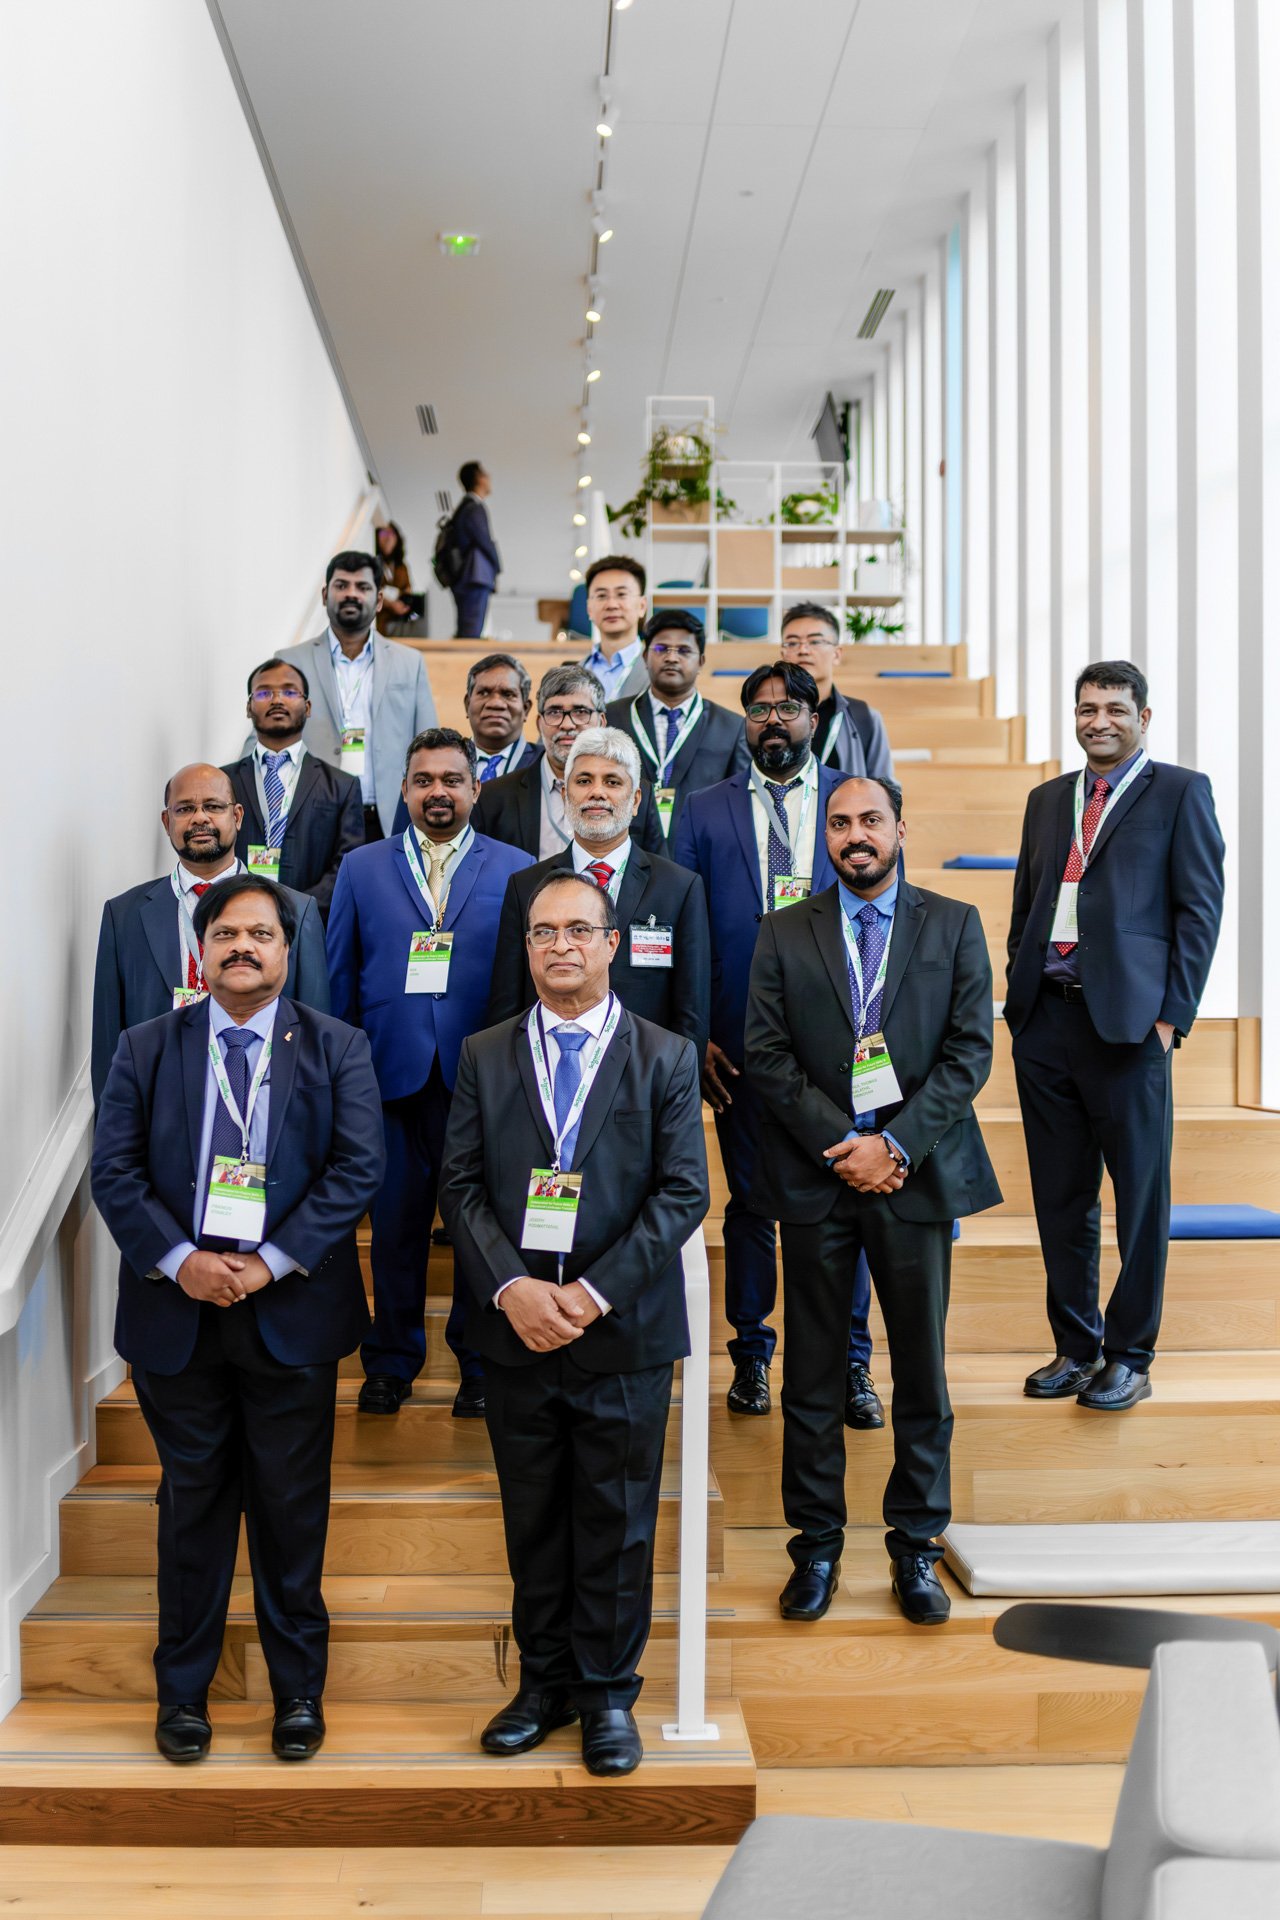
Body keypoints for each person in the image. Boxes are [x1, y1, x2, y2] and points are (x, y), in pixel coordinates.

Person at [90, 874, 385, 1763]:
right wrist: (185, 1264)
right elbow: (115, 1173)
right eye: (227, 933)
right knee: (191, 1511)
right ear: (201, 949)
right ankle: (183, 1695)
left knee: (293, 1513)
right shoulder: (145, 1047)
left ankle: (298, 1693)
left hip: (290, 1312)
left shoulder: (337, 1047)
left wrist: (266, 1262)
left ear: (288, 952)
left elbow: (356, 1169)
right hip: (176, 1319)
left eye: (261, 933)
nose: (243, 946)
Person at [439, 871, 709, 1776]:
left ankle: (605, 1697)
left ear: (612, 944)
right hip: (516, 1330)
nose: (561, 945)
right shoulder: (483, 1054)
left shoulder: (666, 1056)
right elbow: (463, 1186)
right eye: (544, 931)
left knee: (618, 1519)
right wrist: (514, 1289)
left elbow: (683, 1194)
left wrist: (590, 1296)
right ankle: (541, 1685)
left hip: (621, 1332)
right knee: (534, 1516)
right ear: (527, 949)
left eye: (579, 930)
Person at [745, 776, 1001, 1627]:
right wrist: (843, 1146)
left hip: (915, 1176)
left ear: (900, 828)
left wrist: (892, 1146)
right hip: (818, 1179)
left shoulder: (954, 923)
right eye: (841, 821)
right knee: (812, 1376)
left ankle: (916, 1548)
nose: (855, 835)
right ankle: (815, 1548)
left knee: (920, 1373)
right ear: (825, 833)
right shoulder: (784, 931)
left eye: (871, 821)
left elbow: (968, 1054)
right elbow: (767, 1056)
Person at [1006, 661, 1225, 1411]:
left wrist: (1172, 1018)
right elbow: (1027, 903)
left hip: (1132, 1029)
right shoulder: (1046, 801)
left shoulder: (1181, 792)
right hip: (1046, 1022)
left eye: (1114, 708)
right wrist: (1020, 994)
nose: (1099, 719)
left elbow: (1200, 912)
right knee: (1061, 1199)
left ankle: (1130, 1354)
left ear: (1144, 716)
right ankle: (1075, 1346)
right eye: (1087, 707)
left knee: (1139, 1200)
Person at [674, 664, 877, 1421]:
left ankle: (849, 1363)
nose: (772, 721)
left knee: (842, 1207)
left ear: (813, 718)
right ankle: (752, 1356)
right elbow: (688, 931)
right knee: (753, 1207)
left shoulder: (853, 802)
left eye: (787, 707)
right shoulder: (702, 809)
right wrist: (697, 1037)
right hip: (737, 1045)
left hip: (838, 1043)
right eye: (757, 710)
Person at [326, 728, 534, 1418]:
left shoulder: (517, 869)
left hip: (484, 1081)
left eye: (451, 779)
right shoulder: (362, 869)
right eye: (423, 780)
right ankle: (390, 1361)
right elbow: (339, 981)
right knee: (394, 1228)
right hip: (387, 1079)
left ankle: (478, 1362)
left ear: (475, 789)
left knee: (479, 1228)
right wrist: (344, 1080)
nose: (437, 792)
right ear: (406, 791)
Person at [92, 763, 331, 1105]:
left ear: (236, 816)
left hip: (263, 1105)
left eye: (213, 807)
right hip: (159, 1112)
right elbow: (107, 1048)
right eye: (185, 809)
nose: (199, 818)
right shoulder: (123, 916)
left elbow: (314, 1031)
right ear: (167, 822)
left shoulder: (297, 909)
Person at [487, 726, 710, 1064]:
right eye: (584, 781)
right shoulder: (525, 885)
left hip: (644, 1078)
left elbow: (691, 1012)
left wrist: (674, 1090)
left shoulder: (680, 887)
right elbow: (507, 1004)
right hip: (548, 1073)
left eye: (613, 782)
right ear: (565, 795)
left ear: (635, 801)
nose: (597, 793)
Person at [269, 550, 438, 843]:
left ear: (380, 600)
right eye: (341, 585)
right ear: (325, 595)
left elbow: (429, 742)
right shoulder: (289, 662)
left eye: (362, 587)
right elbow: (265, 738)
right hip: (312, 816)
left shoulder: (409, 663)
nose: (351, 594)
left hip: (386, 819)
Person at [473, 664, 664, 858]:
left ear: (602, 722)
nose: (566, 724)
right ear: (539, 724)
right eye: (554, 712)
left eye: (580, 712)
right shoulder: (494, 799)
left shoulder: (636, 792)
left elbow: (655, 872)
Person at [223, 657, 363, 921]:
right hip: (235, 919)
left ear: (307, 706)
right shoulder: (223, 782)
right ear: (249, 707)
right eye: (264, 692)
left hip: (311, 922)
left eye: (289, 691)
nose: (277, 700)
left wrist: (297, 907)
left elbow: (347, 866)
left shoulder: (342, 786)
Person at [604, 609, 749, 842]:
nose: (671, 657)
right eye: (661, 649)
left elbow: (738, 806)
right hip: (626, 852)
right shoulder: (612, 717)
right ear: (644, 657)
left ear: (701, 661)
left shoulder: (732, 728)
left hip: (701, 859)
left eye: (684, 650)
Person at [778, 602, 895, 777]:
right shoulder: (766, 716)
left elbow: (886, 789)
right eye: (792, 643)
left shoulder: (864, 718)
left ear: (837, 654)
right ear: (783, 655)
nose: (803, 650)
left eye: (815, 641)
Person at [580, 555, 651, 702]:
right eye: (601, 596)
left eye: (621, 594)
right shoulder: (574, 672)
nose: (611, 604)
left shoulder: (659, 671)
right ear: (589, 609)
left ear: (642, 606)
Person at [464, 652, 539, 783]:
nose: (495, 703)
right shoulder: (445, 762)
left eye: (508, 694)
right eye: (484, 693)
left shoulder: (544, 764)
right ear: (467, 705)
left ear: (526, 709)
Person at [451, 462, 501, 639]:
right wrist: (497, 566)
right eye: (486, 474)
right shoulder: (474, 507)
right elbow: (485, 542)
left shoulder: (465, 507)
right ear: (479, 478)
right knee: (471, 632)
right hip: (474, 578)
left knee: (468, 629)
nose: (489, 478)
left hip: (468, 577)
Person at [374, 522, 417, 637]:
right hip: (379, 621)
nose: (388, 538)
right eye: (383, 534)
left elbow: (407, 588)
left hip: (399, 621)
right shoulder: (374, 564)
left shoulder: (401, 566)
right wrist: (390, 604)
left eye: (391, 534)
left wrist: (403, 603)